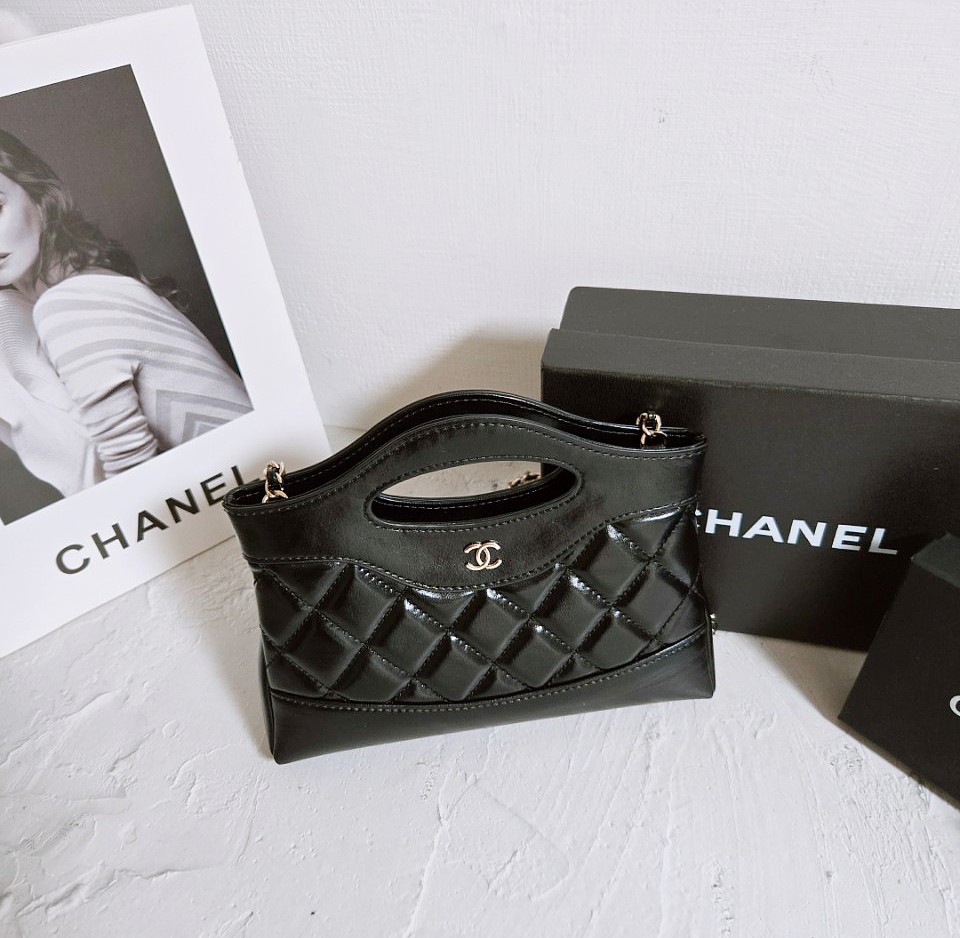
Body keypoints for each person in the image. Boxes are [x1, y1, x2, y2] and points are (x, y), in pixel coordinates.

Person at [0, 127, 252, 491]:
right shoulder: (86, 284)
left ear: (37, 195)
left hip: (251, 493)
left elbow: (134, 482)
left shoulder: (67, 305)